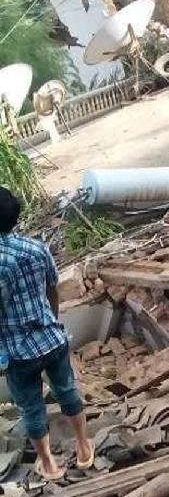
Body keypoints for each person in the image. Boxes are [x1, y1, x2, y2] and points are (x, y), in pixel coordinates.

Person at [0, 188, 94, 481]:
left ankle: (49, 465)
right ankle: (83, 448)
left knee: (31, 408)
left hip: (17, 351)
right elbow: (52, 288)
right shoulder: (36, 247)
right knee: (67, 390)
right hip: (51, 339)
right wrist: (50, 320)